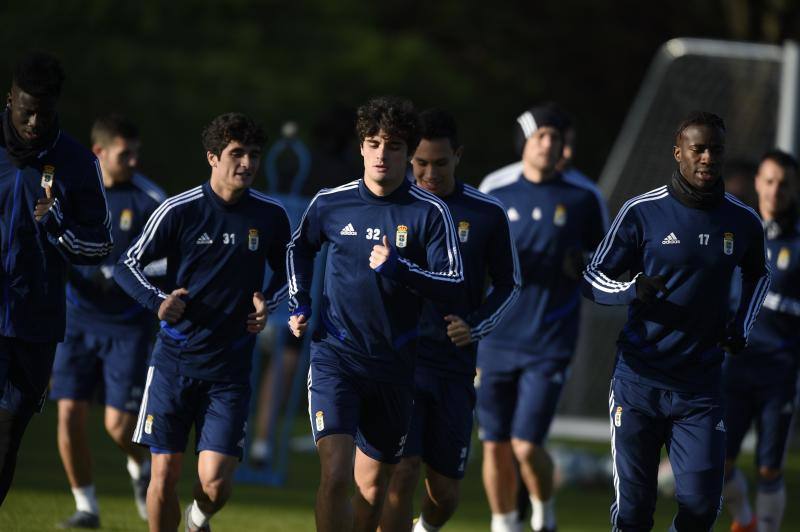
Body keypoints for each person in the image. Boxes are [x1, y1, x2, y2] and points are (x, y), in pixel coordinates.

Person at [582, 111, 770, 531]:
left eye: (715, 150)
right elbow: (592, 277)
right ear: (678, 152)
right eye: (697, 149)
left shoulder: (742, 220)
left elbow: (760, 274)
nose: (707, 158)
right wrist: (632, 289)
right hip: (639, 380)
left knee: (701, 508)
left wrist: (742, 325)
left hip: (700, 388)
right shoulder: (641, 211)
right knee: (633, 513)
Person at [287, 96, 464, 532]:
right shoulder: (331, 203)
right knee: (335, 475)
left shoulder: (431, 212)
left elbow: (454, 281)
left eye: (394, 146)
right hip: (336, 356)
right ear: (361, 147)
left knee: (372, 490)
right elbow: (299, 248)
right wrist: (300, 301)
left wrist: (401, 270)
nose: (383, 154)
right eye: (374, 143)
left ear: (407, 151)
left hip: (395, 363)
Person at [114, 112, 290, 532]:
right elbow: (127, 264)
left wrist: (269, 305)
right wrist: (158, 301)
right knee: (164, 475)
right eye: (236, 153)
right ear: (212, 157)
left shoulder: (269, 216)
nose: (246, 163)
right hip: (173, 362)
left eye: (253, 155)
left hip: (229, 370)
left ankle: (197, 520)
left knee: (214, 485)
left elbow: (291, 275)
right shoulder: (179, 209)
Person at [378, 109, 520, 532]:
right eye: (420, 163)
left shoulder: (486, 213)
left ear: (457, 156)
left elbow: (510, 284)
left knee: (445, 494)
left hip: (454, 367)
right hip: (401, 361)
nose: (429, 172)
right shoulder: (391, 204)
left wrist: (475, 324)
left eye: (440, 163)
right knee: (401, 471)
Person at [475, 105, 606, 532]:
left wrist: (581, 265)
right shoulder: (495, 188)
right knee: (494, 443)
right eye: (541, 136)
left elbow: (605, 261)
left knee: (527, 444)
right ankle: (503, 522)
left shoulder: (584, 196)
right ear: (524, 142)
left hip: (550, 338)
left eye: (556, 137)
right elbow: (471, 259)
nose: (549, 144)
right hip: (495, 337)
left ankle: (544, 513)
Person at [0, 51, 112, 505]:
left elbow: (101, 245)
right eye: (26, 111)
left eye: (43, 114)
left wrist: (60, 228)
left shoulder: (78, 164)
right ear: (9, 99)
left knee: (6, 437)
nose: (33, 122)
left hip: (34, 323)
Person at [50, 114, 166, 528]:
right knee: (68, 414)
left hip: (128, 325)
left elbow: (171, 263)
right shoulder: (73, 190)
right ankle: (87, 506)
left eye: (136, 153)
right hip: (76, 321)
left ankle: (140, 467)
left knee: (118, 426)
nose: (133, 161)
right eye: (124, 154)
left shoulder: (151, 200)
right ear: (98, 153)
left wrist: (127, 276)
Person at [721, 150, 799, 532]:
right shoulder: (738, 230)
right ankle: (746, 521)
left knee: (769, 466)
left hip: (779, 373)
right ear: (757, 183)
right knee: (720, 460)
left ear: (794, 188)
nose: (775, 190)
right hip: (733, 367)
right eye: (769, 181)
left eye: (783, 183)